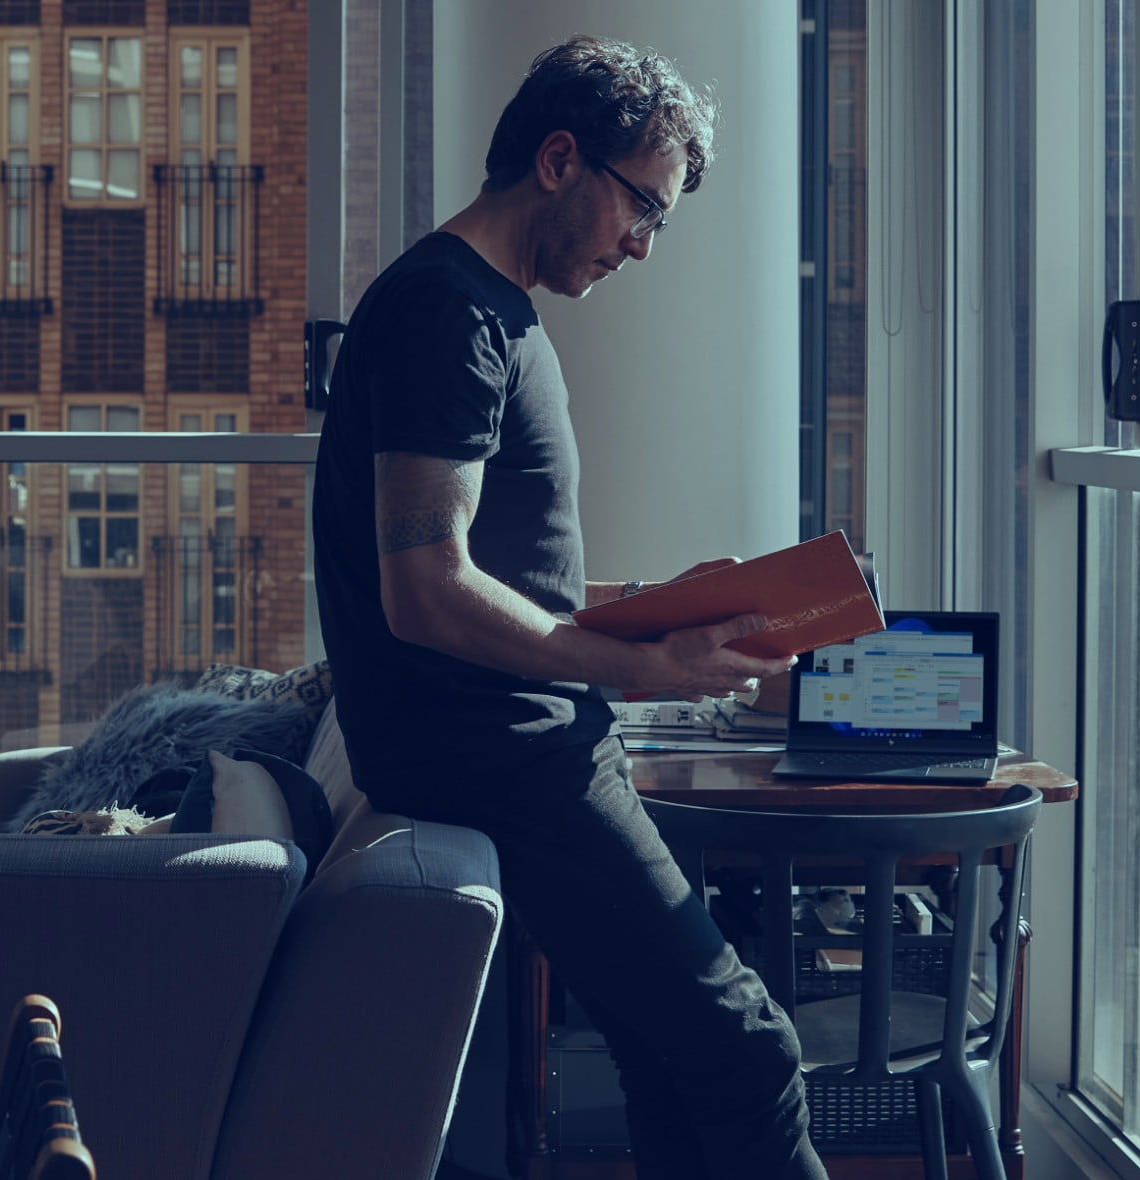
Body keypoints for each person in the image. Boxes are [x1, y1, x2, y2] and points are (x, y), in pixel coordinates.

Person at [309, 35, 827, 1180]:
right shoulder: (451, 315)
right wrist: (627, 666)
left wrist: (658, 611)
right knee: (750, 1056)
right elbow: (425, 589)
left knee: (666, 1055)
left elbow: (501, 571)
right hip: (511, 757)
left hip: (523, 742)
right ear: (558, 159)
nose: (643, 245)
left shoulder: (489, 307)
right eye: (641, 205)